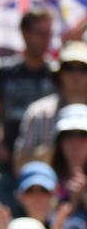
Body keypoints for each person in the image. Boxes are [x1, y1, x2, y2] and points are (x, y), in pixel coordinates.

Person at [0, 9, 55, 171]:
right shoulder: (6, 72)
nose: (46, 40)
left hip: (48, 162)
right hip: (10, 161)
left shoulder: (56, 73)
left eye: (49, 34)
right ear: (24, 33)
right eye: (40, 34)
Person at [14, 42, 87, 173]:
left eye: (83, 69)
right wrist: (49, 155)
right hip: (48, 189)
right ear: (60, 73)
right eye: (69, 68)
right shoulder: (39, 113)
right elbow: (18, 165)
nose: (76, 75)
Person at [0, 162, 59, 229]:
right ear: (19, 196)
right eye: (30, 191)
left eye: (44, 190)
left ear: (55, 194)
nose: (37, 197)